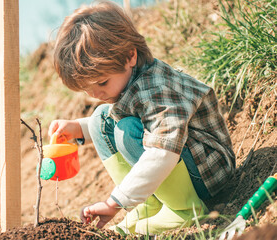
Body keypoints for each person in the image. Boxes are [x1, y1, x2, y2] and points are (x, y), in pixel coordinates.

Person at [47, 0, 235, 235]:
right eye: (86, 89)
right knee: (100, 118)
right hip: (186, 161)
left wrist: (114, 203)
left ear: (130, 56)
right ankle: (150, 203)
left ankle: (184, 208)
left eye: (102, 83)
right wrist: (79, 128)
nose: (95, 94)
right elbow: (118, 119)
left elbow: (163, 150)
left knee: (126, 130)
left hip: (209, 170)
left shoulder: (156, 90)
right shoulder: (132, 81)